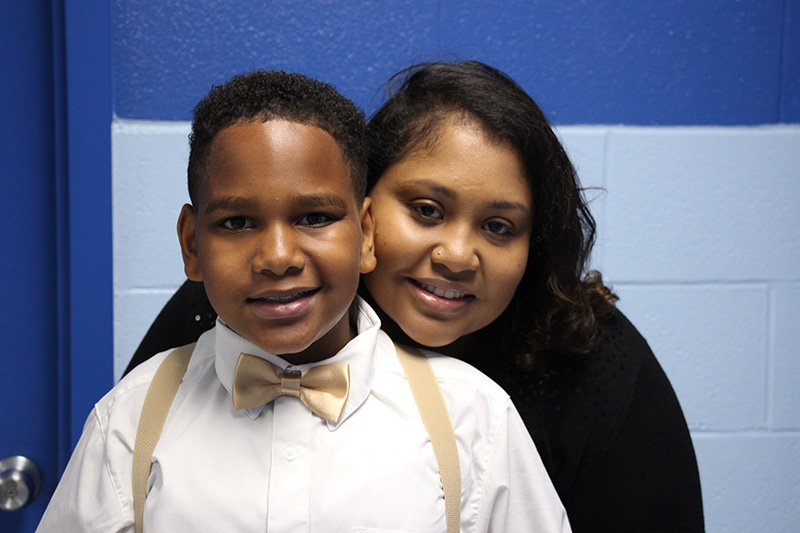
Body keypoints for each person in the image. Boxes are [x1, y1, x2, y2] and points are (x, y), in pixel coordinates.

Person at [125, 62, 705, 531]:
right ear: (363, 216)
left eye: (500, 227)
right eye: (426, 210)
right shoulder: (251, 307)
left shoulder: (596, 362)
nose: (457, 254)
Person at [38, 70, 570, 532]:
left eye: (315, 218)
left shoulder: (475, 419)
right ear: (191, 245)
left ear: (366, 235)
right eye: (237, 222)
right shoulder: (130, 420)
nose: (276, 256)